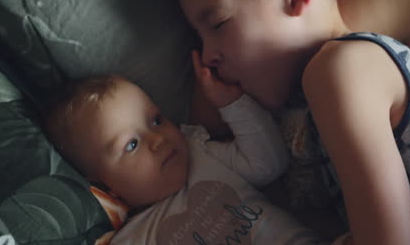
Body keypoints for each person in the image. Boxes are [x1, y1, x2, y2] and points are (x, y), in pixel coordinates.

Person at [178, 0, 410, 244]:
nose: (206, 57)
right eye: (198, 39)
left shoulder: (342, 67)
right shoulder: (311, 112)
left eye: (218, 23)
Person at [44, 73, 331, 245]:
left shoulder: (200, 153)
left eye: (156, 120)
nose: (158, 139)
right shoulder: (130, 239)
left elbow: (270, 164)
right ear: (104, 186)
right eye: (131, 144)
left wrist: (232, 103)